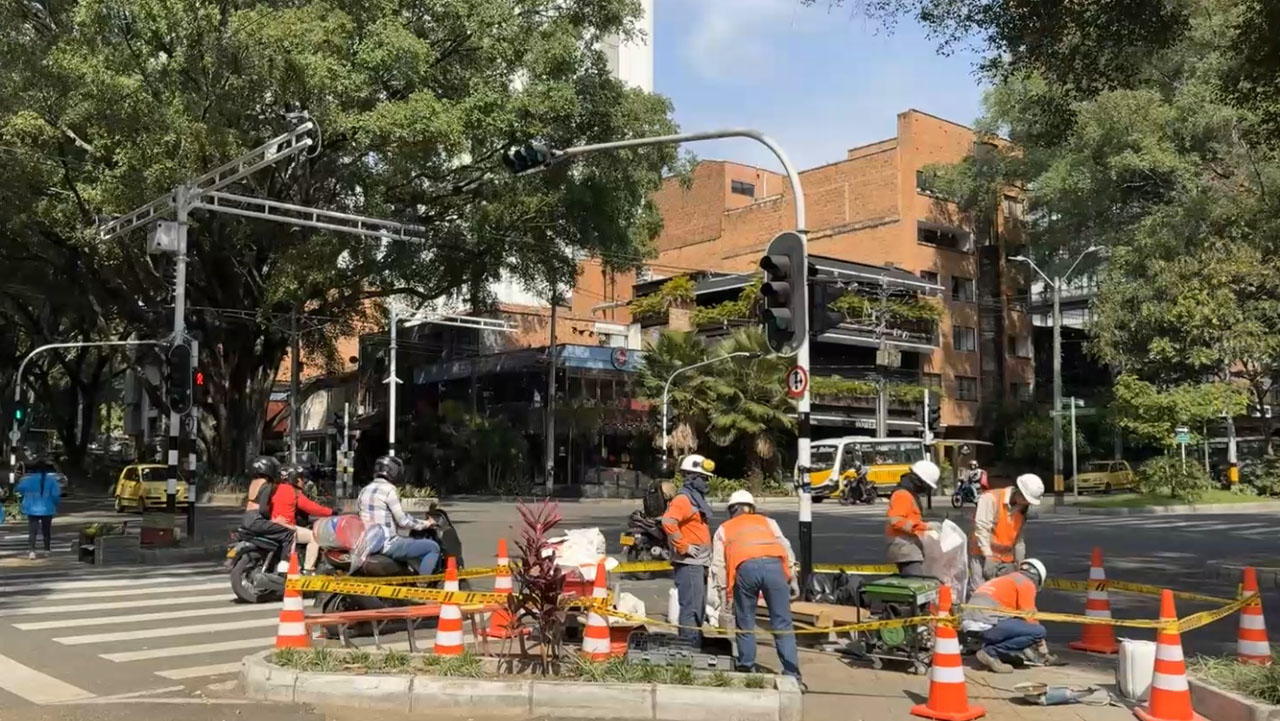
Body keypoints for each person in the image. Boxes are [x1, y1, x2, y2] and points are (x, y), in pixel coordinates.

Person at [710, 490, 802, 686]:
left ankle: (746, 668)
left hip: (746, 569)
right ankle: (792, 675)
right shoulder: (768, 522)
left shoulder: (723, 529)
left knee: (745, 622)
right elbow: (785, 546)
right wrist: (793, 577)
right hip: (775, 568)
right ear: (752, 508)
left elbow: (718, 565)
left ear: (731, 509)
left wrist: (724, 595)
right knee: (783, 624)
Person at [965, 559, 1059, 673]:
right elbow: (1030, 616)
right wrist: (1043, 649)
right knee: (1038, 631)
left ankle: (1003, 655)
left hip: (969, 624)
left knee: (1017, 623)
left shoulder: (1007, 579)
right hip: (986, 623)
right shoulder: (1026, 583)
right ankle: (991, 652)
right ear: (1038, 579)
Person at [661, 453, 714, 645]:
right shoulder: (684, 499)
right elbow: (668, 522)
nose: (706, 482)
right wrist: (684, 546)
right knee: (691, 608)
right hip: (689, 563)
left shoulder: (695, 499)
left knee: (698, 607)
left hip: (699, 563)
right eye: (703, 478)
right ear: (692, 477)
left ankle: (694, 642)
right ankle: (689, 646)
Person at [358, 455, 440, 575]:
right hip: (387, 545)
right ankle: (423, 582)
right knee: (433, 547)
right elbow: (403, 521)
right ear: (394, 472)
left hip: (367, 544)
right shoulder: (389, 489)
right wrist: (426, 523)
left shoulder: (364, 490)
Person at [968, 473, 1043, 592]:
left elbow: (1018, 541)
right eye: (1026, 499)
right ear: (1019, 492)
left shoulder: (1021, 511)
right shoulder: (990, 498)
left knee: (1003, 596)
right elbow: (982, 529)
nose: (1026, 503)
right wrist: (988, 556)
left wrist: (1020, 565)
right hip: (982, 556)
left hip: (1005, 562)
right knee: (979, 593)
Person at [260, 463, 334, 573]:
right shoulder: (294, 491)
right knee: (314, 537)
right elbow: (310, 507)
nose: (303, 481)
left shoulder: (275, 488)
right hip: (287, 527)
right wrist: (331, 512)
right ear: (296, 479)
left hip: (272, 524)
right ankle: (308, 569)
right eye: (301, 479)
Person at [885, 459, 941, 575]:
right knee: (915, 582)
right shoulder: (903, 494)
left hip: (908, 546)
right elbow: (896, 521)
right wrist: (925, 527)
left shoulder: (909, 494)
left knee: (917, 582)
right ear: (920, 481)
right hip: (904, 547)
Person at [16, 464, 61, 560]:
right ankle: (46, 550)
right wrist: (55, 504)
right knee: (46, 531)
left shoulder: (28, 480)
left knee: (32, 532)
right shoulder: (52, 481)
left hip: (32, 509)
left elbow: (19, 489)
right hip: (47, 508)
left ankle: (32, 552)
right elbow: (56, 495)